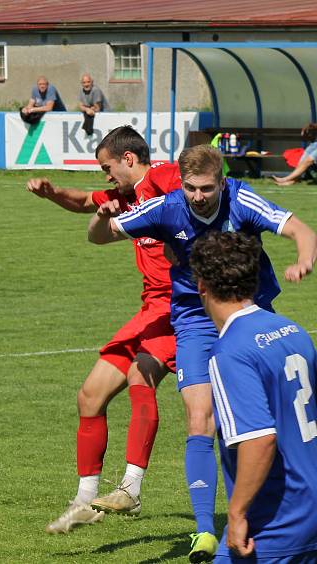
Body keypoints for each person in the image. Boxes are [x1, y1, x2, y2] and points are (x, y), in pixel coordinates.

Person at [88, 144, 317, 562]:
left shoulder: (241, 198)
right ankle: (204, 532)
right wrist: (100, 221)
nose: (198, 196)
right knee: (200, 419)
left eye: (206, 189)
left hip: (250, 311)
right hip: (195, 319)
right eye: (191, 188)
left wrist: (303, 259)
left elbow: (303, 231)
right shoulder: (165, 207)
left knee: (261, 422)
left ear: (221, 183)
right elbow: (99, 238)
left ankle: (267, 508)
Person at [27, 126, 180, 534]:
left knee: (139, 377)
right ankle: (85, 500)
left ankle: (131, 488)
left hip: (182, 308)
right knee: (90, 395)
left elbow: (197, 184)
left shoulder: (164, 177)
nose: (106, 176)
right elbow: (83, 202)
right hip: (148, 310)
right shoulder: (126, 196)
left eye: (108, 167)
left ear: (128, 159)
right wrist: (52, 192)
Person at [190, 230, 317, 562]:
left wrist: (236, 513)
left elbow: (259, 439)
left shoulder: (230, 352)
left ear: (201, 285)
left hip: (277, 520)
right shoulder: (292, 330)